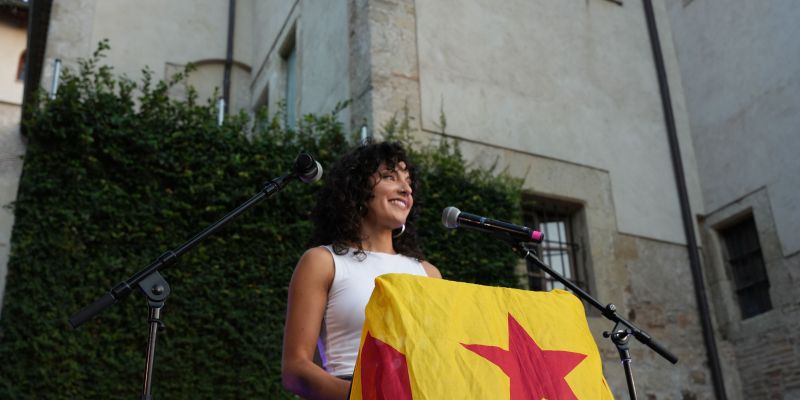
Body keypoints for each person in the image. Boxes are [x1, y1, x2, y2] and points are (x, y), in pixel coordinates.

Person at [281, 141, 441, 399]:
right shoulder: (323, 262)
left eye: (409, 181)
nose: (405, 189)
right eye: (390, 176)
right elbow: (295, 370)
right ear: (357, 189)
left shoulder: (430, 274)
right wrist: (365, 396)